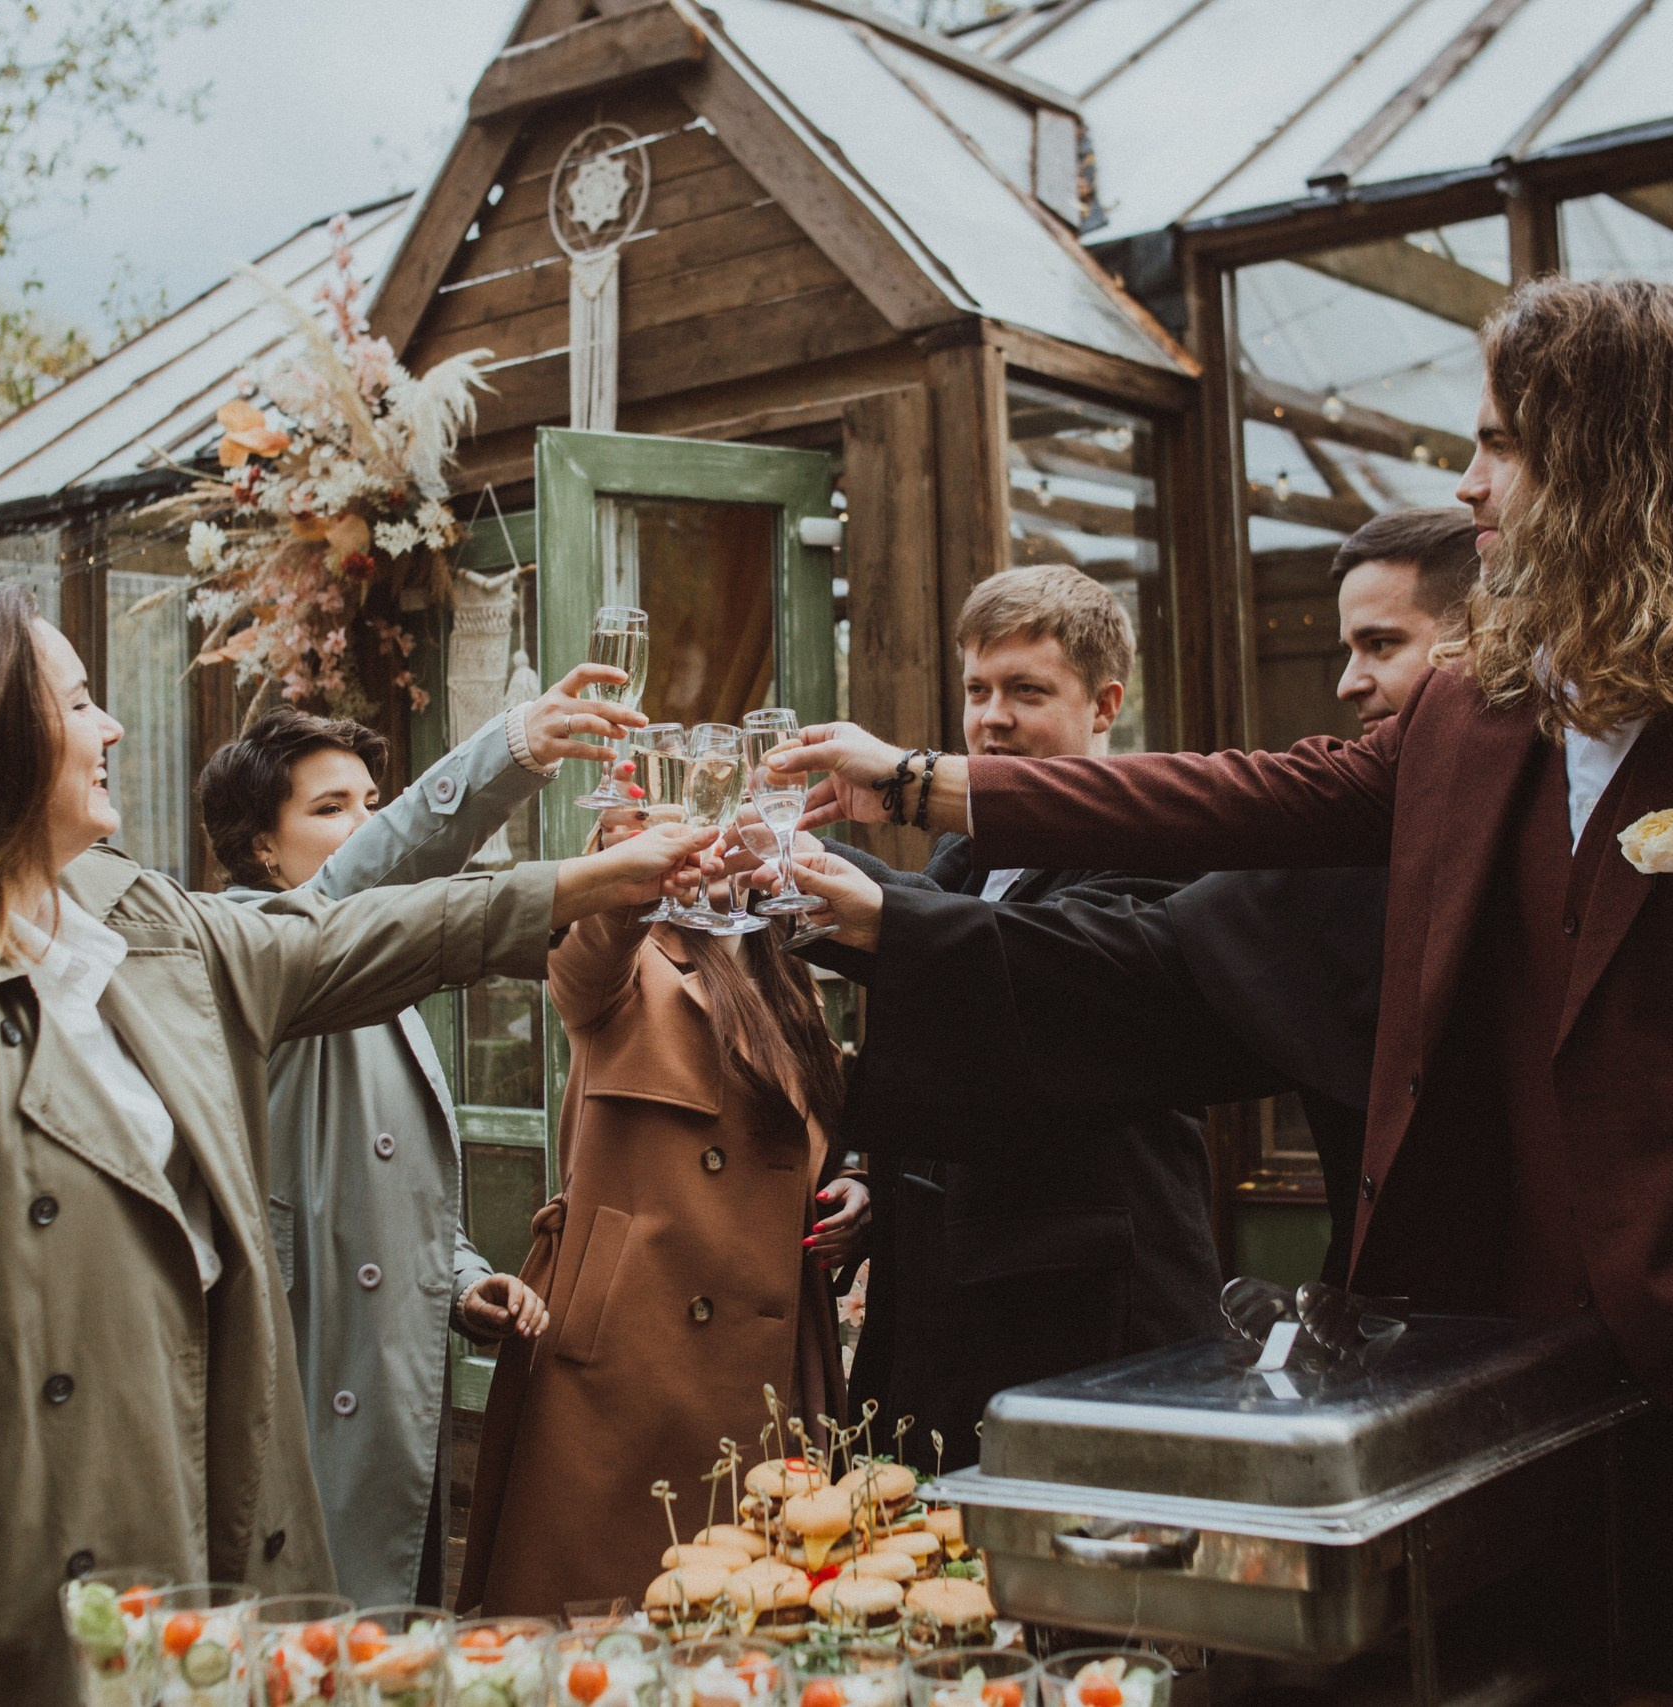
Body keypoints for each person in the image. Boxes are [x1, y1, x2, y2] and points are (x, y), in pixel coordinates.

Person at [780, 278, 1673, 1705]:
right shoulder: (1476, 706)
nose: (1467, 479)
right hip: (1501, 1406)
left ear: (1615, 459)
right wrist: (924, 786)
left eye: (1501, 443)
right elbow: (1244, 799)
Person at [0, 583, 707, 1705]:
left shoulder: (136, 932)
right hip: (47, 1613)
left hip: (215, 1560)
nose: (112, 727)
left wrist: (587, 883)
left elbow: (344, 931)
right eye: (77, 703)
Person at [804, 514, 1476, 1287]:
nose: (1347, 681)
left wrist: (880, 865)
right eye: (978, 690)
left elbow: (1105, 976)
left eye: (1381, 645)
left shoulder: (1188, 856)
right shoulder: (963, 855)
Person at [194, 667, 635, 1608]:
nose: (363, 825)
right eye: (329, 807)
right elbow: (365, 880)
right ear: (262, 851)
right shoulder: (247, 946)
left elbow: (377, 1182)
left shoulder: (368, 974)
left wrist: (463, 1273)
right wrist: (509, 747)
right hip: (306, 1389)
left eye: (373, 801)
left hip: (387, 1391)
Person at [787, 564, 1216, 1466]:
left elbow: (1026, 965)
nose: (992, 718)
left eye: (1027, 691)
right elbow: (923, 973)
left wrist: (848, 894)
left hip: (1087, 1320)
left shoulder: (1154, 842)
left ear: (1106, 705)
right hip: (949, 1306)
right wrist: (784, 861)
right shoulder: (969, 846)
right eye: (977, 690)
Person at [459, 812, 868, 1617]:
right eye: (693, 831)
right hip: (624, 1371)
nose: (715, 847)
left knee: (753, 1629)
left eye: (736, 824)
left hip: (769, 1366)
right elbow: (581, 960)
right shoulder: (626, 962)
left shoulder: (793, 980)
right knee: (600, 1639)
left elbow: (816, 1138)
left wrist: (856, 1183)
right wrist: (621, 885)